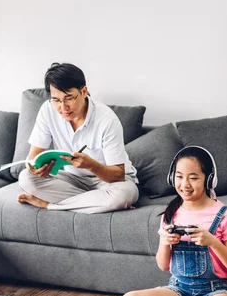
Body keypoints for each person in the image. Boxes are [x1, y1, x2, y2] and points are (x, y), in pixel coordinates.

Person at [120, 146, 227, 296]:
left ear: (209, 179)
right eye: (179, 177)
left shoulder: (224, 215)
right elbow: (162, 265)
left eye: (193, 178)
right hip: (179, 290)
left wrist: (212, 241)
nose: (185, 184)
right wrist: (165, 243)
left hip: (215, 292)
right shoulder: (171, 214)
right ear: (172, 178)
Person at [17, 62, 139, 213]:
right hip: (72, 180)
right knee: (26, 178)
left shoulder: (107, 120)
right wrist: (35, 168)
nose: (63, 107)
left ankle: (48, 205)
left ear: (84, 91)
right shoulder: (47, 110)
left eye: (69, 98)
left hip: (111, 182)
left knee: (124, 195)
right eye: (56, 100)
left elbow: (118, 174)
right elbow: (33, 156)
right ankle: (92, 202)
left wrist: (91, 165)